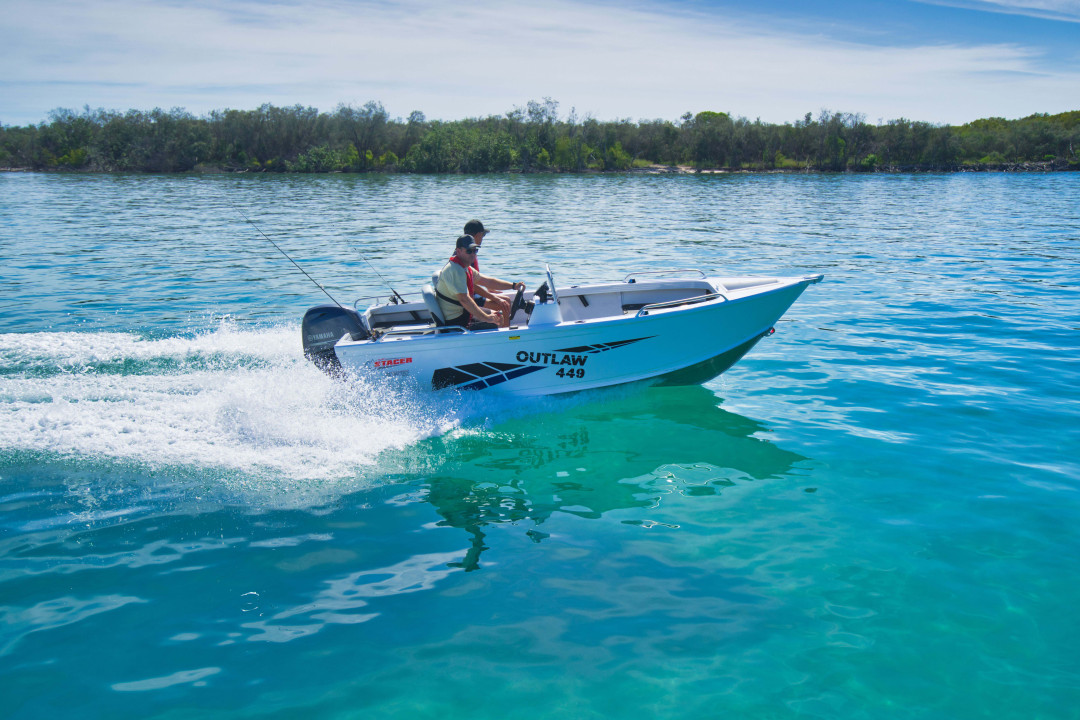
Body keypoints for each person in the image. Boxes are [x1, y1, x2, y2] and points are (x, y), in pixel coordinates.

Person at [435, 236, 507, 329]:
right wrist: (487, 318)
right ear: (458, 251)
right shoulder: (456, 270)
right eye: (469, 251)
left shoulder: (464, 267)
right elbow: (464, 300)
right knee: (496, 322)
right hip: (456, 322)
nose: (473, 254)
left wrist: (514, 286)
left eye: (475, 250)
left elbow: (487, 281)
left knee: (496, 315)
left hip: (462, 314)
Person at [461, 219, 524, 317]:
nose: (483, 238)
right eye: (483, 235)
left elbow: (485, 281)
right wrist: (493, 297)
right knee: (504, 305)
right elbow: (471, 285)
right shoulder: (466, 258)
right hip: (468, 300)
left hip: (471, 295)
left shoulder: (468, 253)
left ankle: (504, 329)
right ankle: (505, 332)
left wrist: (513, 286)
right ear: (477, 235)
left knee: (505, 300)